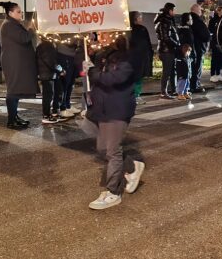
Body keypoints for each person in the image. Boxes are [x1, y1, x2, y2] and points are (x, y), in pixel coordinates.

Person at [84, 36, 145, 210]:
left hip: (118, 109)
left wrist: (94, 72)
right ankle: (132, 167)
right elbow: (95, 71)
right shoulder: (106, 54)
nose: (103, 36)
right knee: (103, 149)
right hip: (103, 109)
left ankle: (113, 192)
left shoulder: (130, 57)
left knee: (112, 151)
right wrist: (89, 64)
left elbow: (113, 79)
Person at [0, 1, 36, 129]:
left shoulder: (12, 23)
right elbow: (24, 38)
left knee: (16, 89)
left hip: (16, 62)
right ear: (10, 13)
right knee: (13, 90)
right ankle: (11, 119)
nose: (21, 14)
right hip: (13, 63)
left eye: (21, 11)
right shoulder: (9, 25)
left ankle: (14, 116)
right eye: (18, 12)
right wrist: (31, 29)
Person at [36, 35, 64, 124]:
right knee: (48, 95)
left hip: (46, 73)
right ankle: (46, 115)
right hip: (47, 74)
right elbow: (51, 62)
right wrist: (61, 70)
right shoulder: (47, 46)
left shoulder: (42, 45)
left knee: (49, 94)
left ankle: (50, 114)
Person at [154, 3, 180, 98]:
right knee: (167, 72)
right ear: (170, 11)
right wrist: (177, 44)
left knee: (172, 71)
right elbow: (166, 37)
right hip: (166, 50)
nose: (175, 12)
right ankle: (163, 92)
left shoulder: (167, 20)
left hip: (168, 49)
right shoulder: (165, 21)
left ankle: (173, 90)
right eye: (174, 10)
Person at [128, 11, 153, 105]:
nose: (141, 19)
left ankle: (132, 95)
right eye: (140, 17)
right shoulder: (141, 29)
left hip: (132, 57)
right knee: (138, 77)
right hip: (139, 57)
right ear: (136, 18)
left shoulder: (129, 30)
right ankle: (136, 96)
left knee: (133, 77)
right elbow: (146, 43)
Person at [189, 4, 211, 93]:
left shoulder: (187, 19)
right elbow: (205, 35)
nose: (201, 11)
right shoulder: (197, 20)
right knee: (197, 68)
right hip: (198, 48)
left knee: (191, 67)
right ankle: (195, 85)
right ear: (196, 10)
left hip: (190, 48)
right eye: (200, 10)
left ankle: (191, 85)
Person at [56, 41, 79, 117]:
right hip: (64, 54)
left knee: (70, 84)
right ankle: (62, 107)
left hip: (72, 55)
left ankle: (67, 105)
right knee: (65, 85)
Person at [208, 6, 222, 82]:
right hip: (215, 42)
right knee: (214, 58)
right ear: (218, 11)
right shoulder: (213, 20)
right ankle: (212, 75)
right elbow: (210, 30)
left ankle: (218, 74)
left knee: (221, 58)